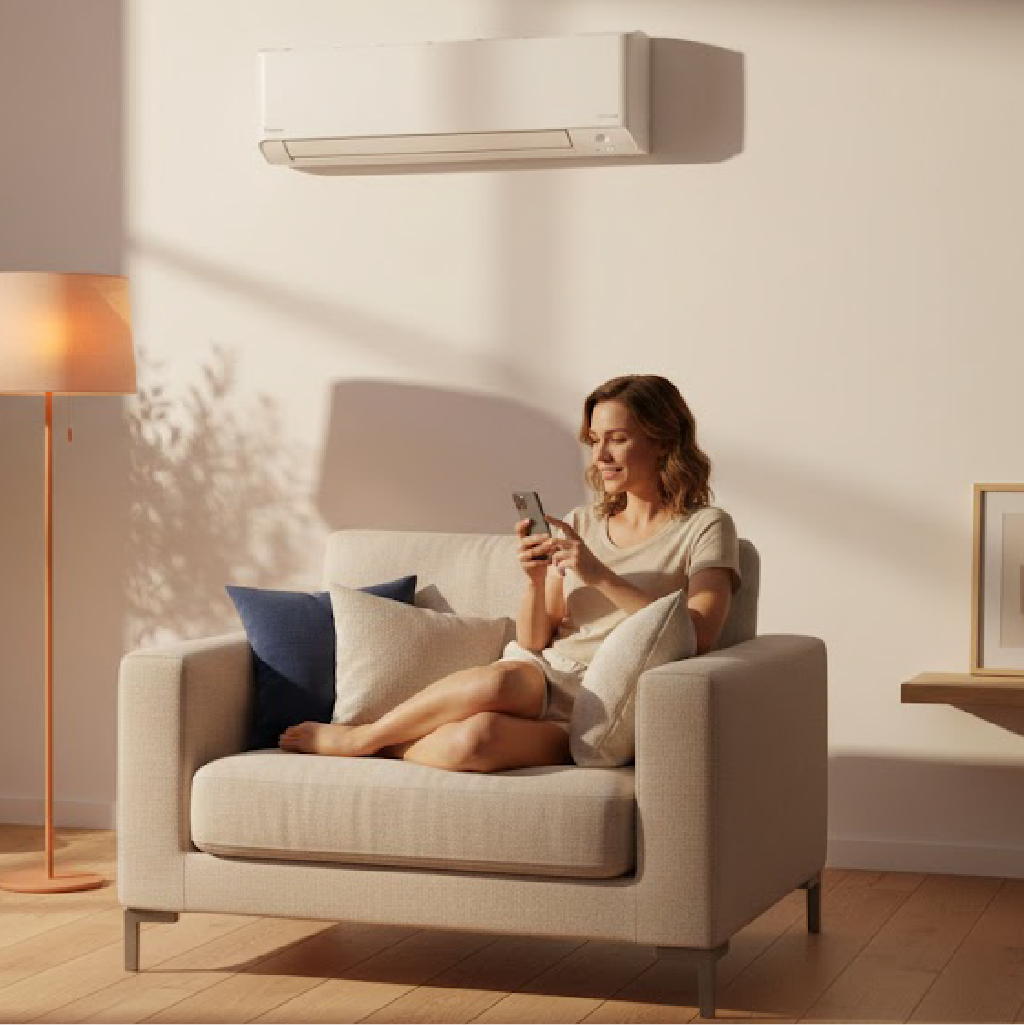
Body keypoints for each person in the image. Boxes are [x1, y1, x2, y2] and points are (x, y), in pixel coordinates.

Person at [279, 374, 741, 771]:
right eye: (594, 440)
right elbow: (537, 640)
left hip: (603, 701)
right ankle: (364, 739)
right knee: (499, 680)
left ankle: (381, 744)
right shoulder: (583, 523)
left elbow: (696, 635)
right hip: (545, 674)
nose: (600, 456)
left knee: (474, 741)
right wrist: (537, 580)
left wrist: (598, 574)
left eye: (617, 438)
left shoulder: (705, 526)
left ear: (662, 440)